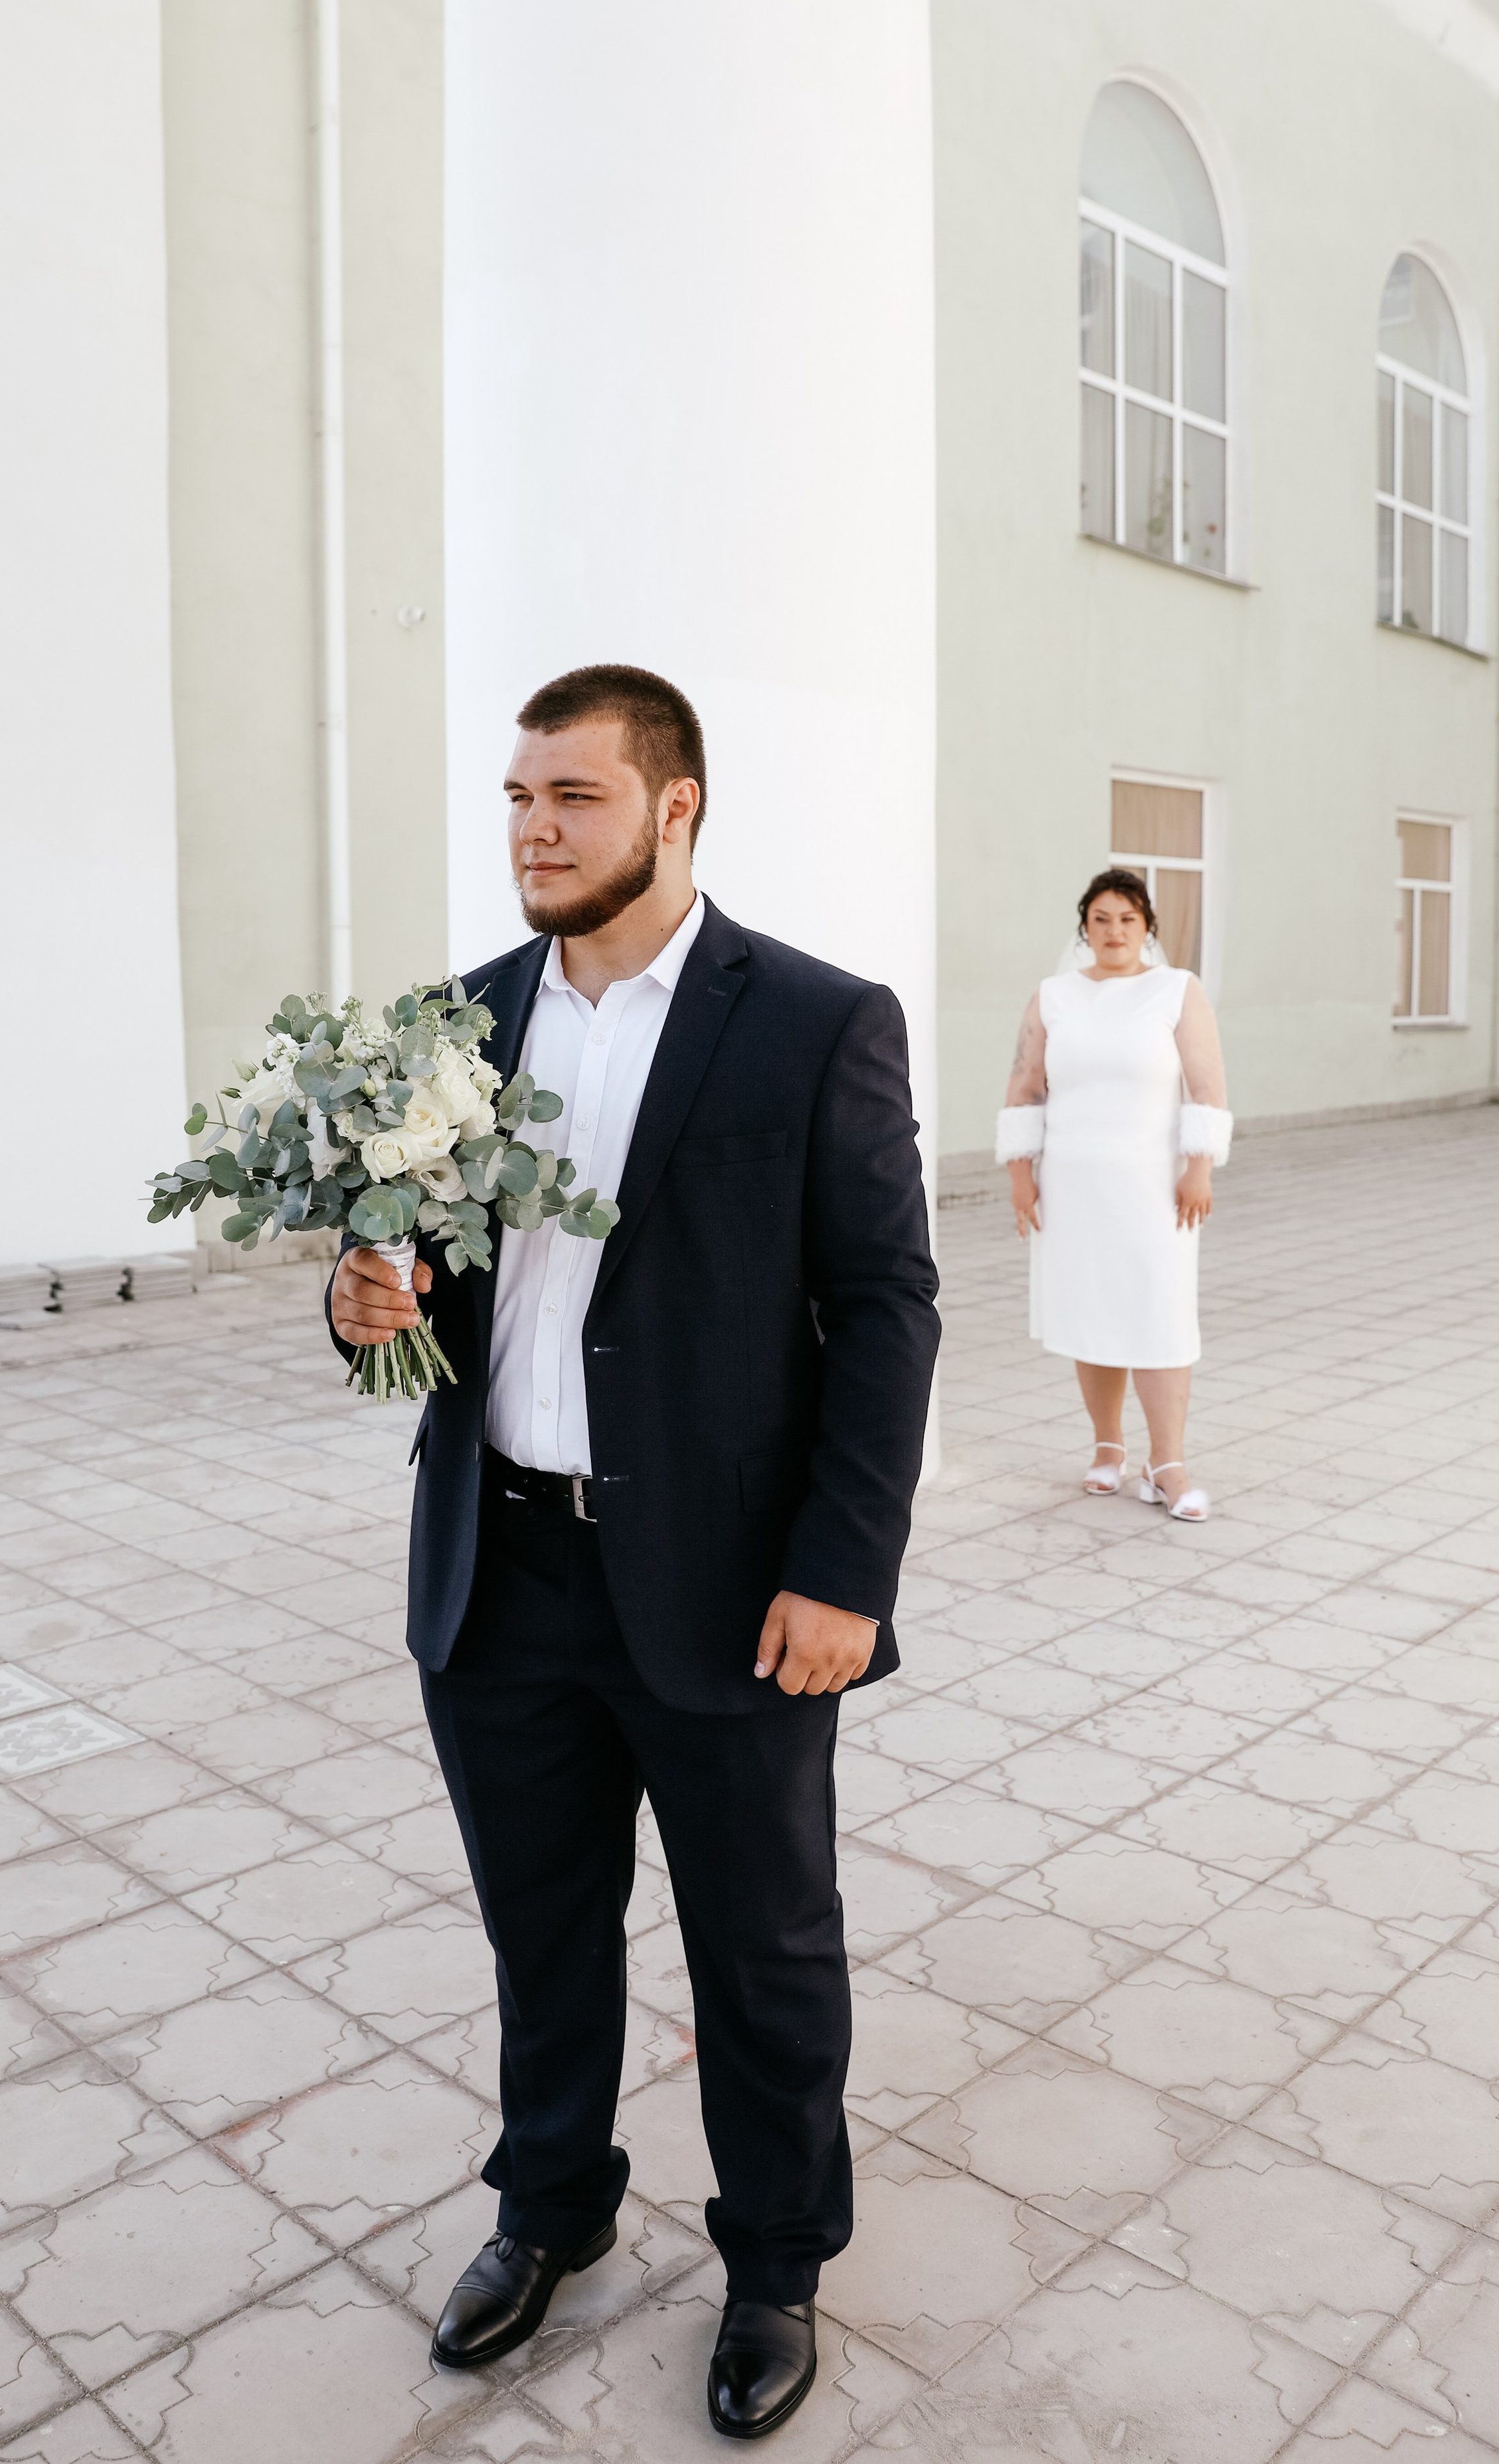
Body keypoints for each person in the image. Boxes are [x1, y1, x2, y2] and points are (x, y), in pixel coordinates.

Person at [327, 665, 938, 2441]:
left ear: (675, 808)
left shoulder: (813, 1019)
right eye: (518, 794)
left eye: (572, 796)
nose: (531, 825)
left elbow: (886, 1306)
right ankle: (554, 2199)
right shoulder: (453, 1023)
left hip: (736, 1585)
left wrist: (846, 1565)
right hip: (499, 1562)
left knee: (761, 1941)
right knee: (544, 1927)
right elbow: (416, 1313)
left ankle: (772, 2256)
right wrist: (370, 1305)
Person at [996, 868, 1231, 1522]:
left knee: (1160, 1318)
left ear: (1146, 926)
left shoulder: (1176, 991)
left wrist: (1199, 1167)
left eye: (1127, 919)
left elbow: (1207, 1088)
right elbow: (1024, 1086)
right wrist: (1021, 1173)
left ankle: (1168, 1465)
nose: (1114, 931)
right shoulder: (1054, 997)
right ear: (1085, 928)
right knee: (1092, 1316)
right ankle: (1107, 1448)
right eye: (1100, 919)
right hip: (1073, 1184)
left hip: (1155, 1187)